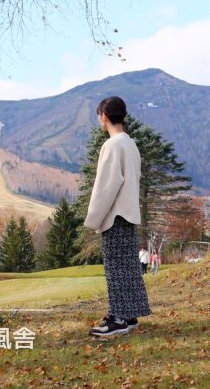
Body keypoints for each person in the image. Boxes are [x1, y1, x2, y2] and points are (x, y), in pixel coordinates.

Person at [83, 96, 151, 337]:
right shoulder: (130, 144)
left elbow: (106, 186)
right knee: (129, 267)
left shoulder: (112, 145)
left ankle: (118, 319)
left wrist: (93, 218)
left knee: (116, 268)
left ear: (103, 116)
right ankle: (129, 315)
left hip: (116, 214)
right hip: (129, 211)